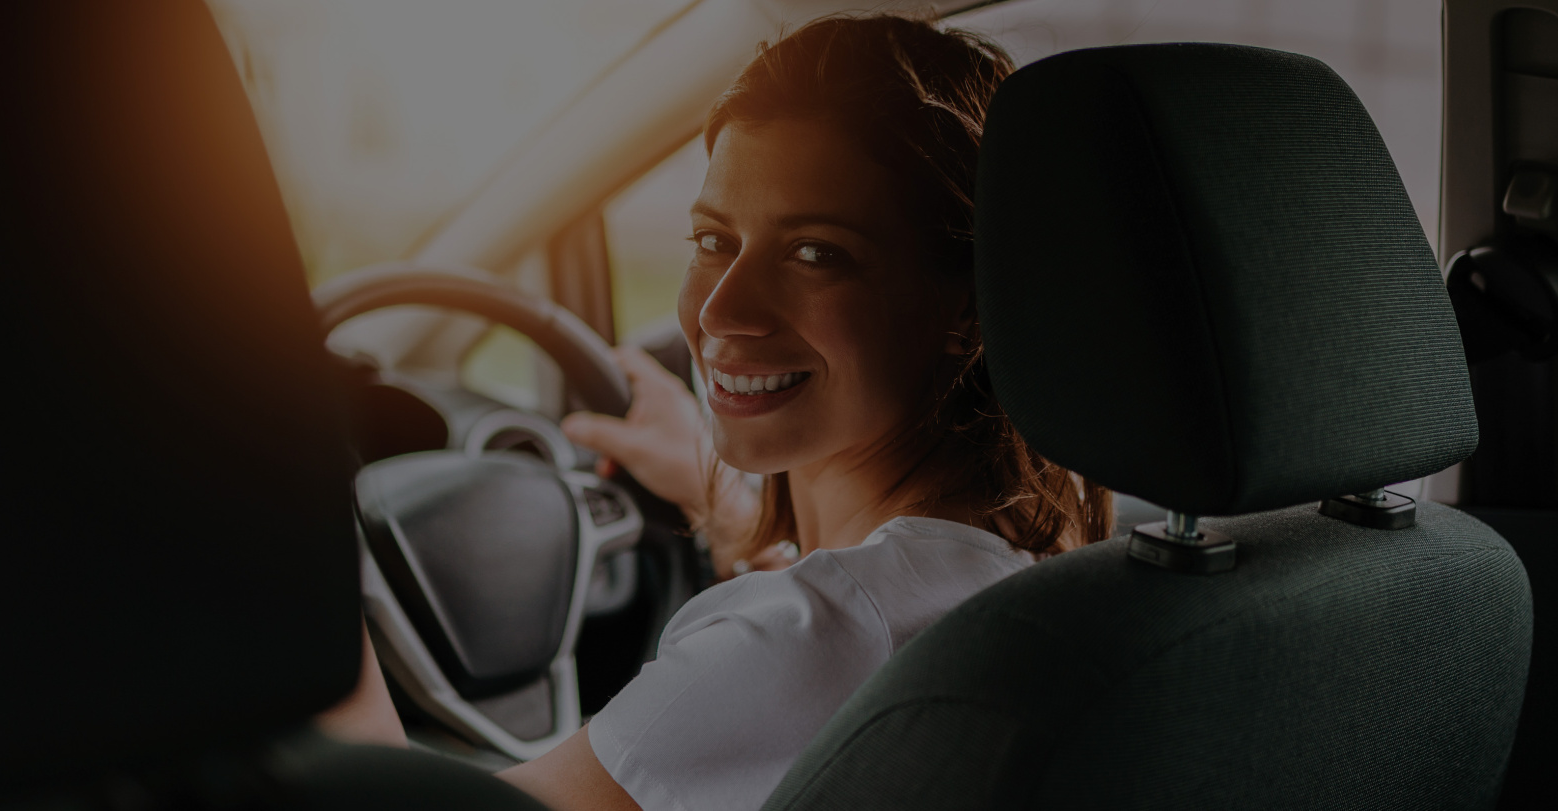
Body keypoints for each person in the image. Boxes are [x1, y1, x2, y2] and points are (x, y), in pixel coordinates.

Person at [319, 14, 1112, 811]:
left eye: (814, 253)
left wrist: (291, 547)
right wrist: (715, 493)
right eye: (711, 239)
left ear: (968, 311)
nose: (722, 310)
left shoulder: (796, 647)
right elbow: (851, 613)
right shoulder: (1043, 569)